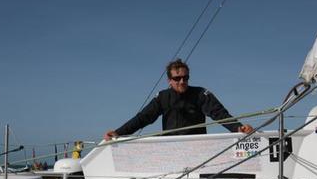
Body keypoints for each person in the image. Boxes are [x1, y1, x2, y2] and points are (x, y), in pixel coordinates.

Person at [104, 59, 253, 140]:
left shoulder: (201, 94)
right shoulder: (162, 97)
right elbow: (143, 118)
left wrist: (237, 127)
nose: (182, 81)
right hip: (170, 148)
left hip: (197, 146)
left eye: (185, 77)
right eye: (177, 78)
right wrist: (119, 133)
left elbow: (219, 113)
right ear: (169, 80)